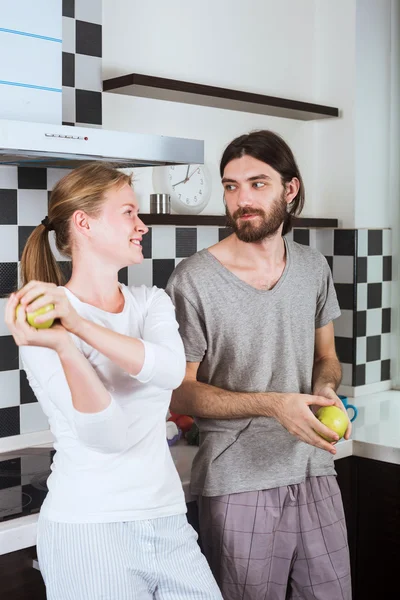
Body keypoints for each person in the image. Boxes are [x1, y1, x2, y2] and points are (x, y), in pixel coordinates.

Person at [5, 163, 222, 600]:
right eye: (129, 212)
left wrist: (80, 330)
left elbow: (166, 369)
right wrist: (65, 347)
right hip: (89, 529)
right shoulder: (39, 316)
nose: (142, 226)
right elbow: (107, 435)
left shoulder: (151, 302)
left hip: (167, 521)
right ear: (83, 222)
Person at [166, 130, 352, 600]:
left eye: (257, 184)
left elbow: (326, 358)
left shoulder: (313, 267)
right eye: (231, 186)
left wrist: (325, 390)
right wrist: (274, 406)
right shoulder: (193, 279)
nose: (241, 200)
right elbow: (181, 392)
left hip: (314, 466)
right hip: (238, 480)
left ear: (289, 190)